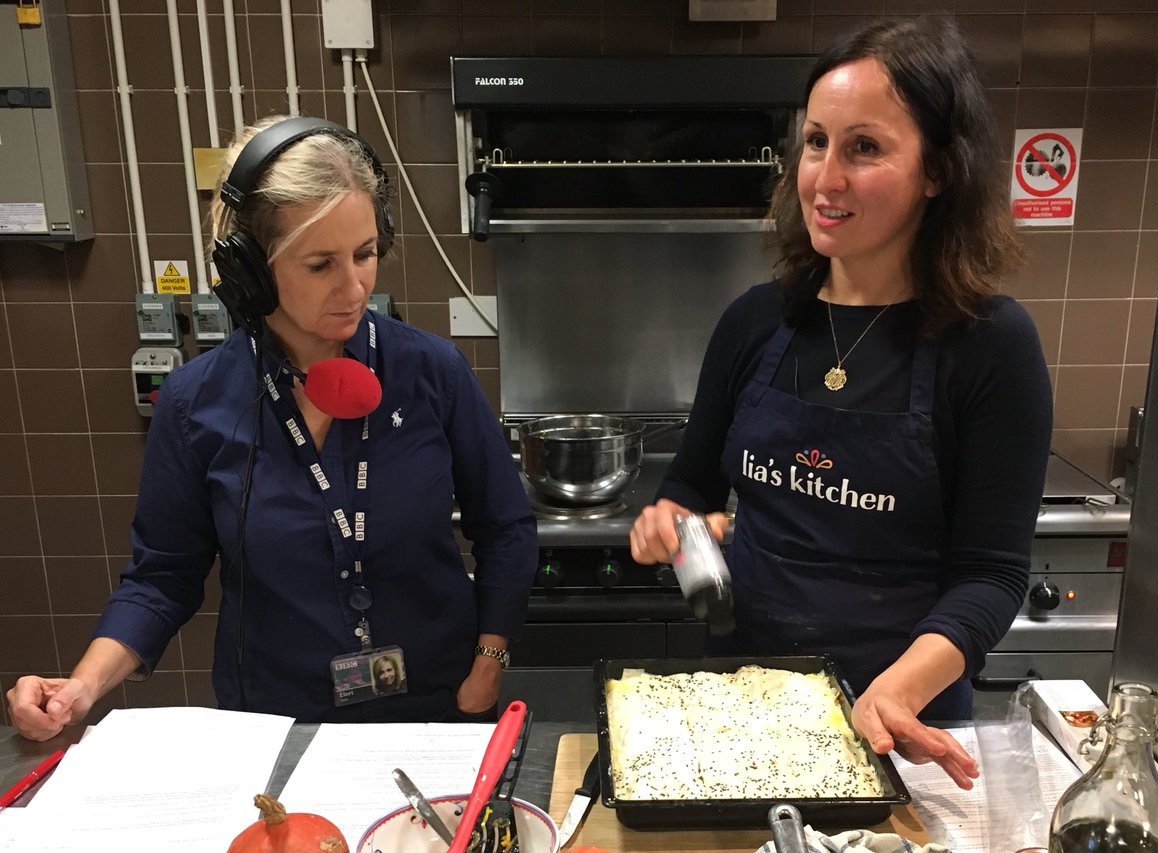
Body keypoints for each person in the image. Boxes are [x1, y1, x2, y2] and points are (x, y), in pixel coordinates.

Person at [7, 116, 538, 738]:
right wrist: (82, 686)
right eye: (320, 264)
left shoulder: (431, 371)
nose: (354, 286)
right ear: (251, 271)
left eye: (365, 254)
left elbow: (505, 529)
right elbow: (161, 577)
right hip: (274, 722)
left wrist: (489, 665)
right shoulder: (193, 402)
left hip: (439, 706)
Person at [629, 17, 1052, 790]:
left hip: (902, 725)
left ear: (938, 170)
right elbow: (688, 487)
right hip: (744, 706)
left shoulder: (991, 346)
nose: (826, 177)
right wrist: (671, 523)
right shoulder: (756, 321)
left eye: (865, 148)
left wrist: (898, 689)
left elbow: (990, 575)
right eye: (817, 142)